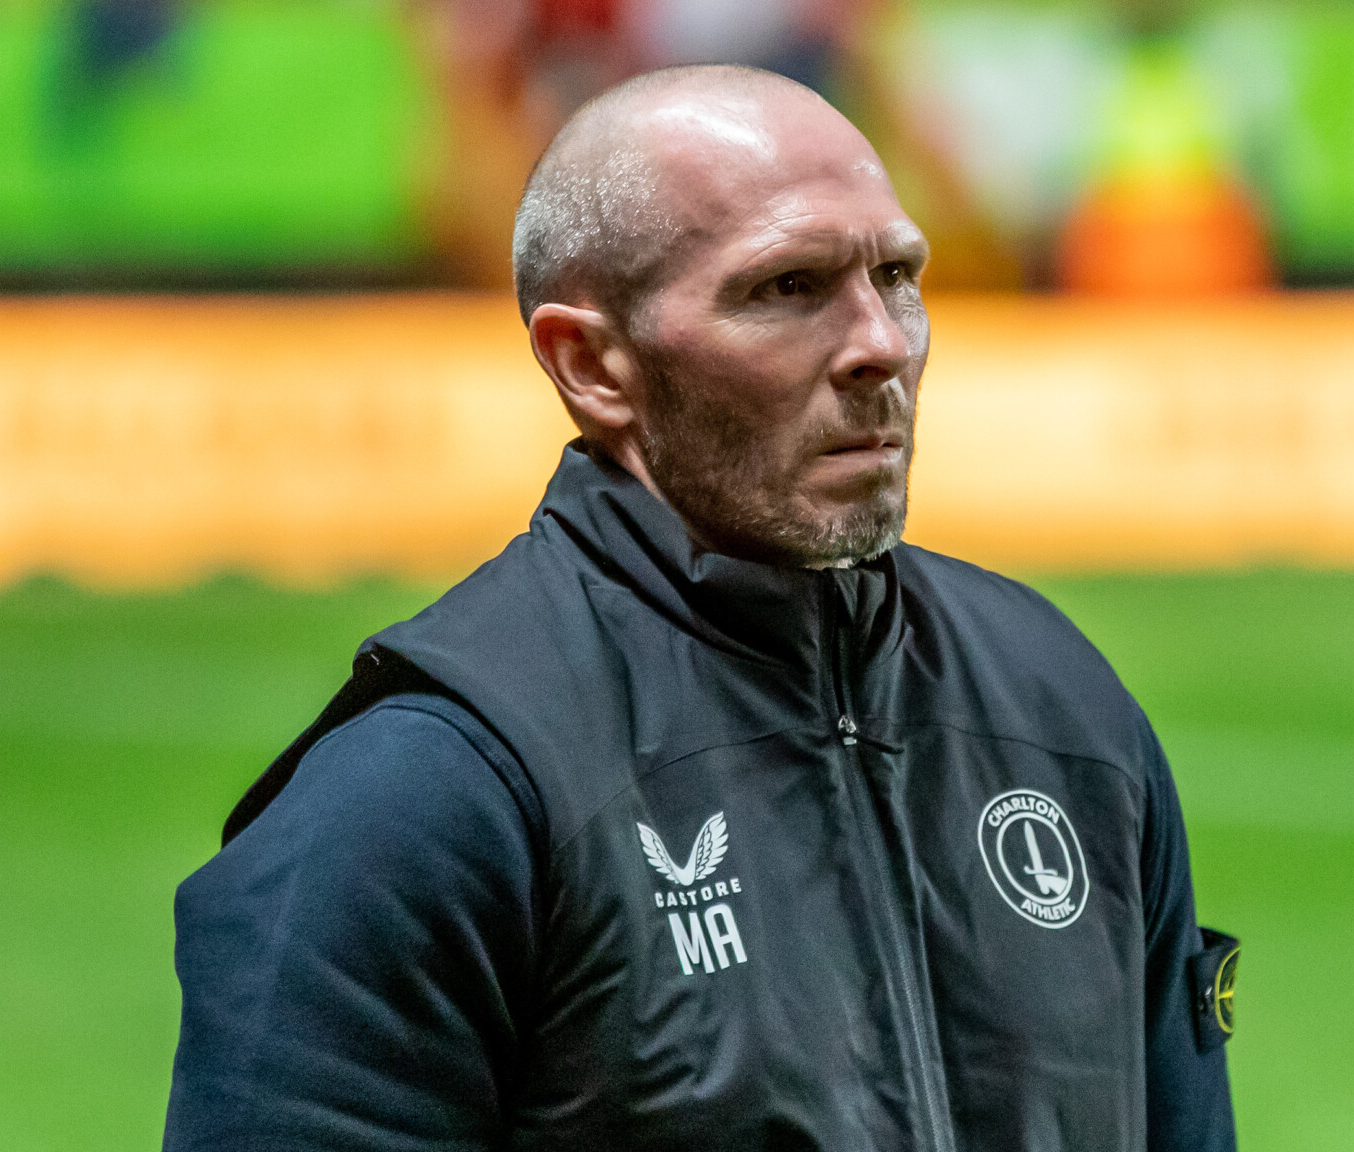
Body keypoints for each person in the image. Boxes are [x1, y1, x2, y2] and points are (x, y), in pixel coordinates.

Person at [163, 65, 1238, 1152]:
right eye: (788, 287)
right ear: (592, 364)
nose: (880, 344)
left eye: (896, 275)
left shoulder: (1062, 707)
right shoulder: (427, 793)